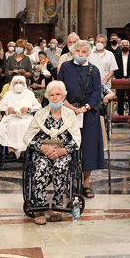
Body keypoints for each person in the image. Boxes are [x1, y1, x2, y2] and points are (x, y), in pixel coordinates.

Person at [23, 80, 82, 225]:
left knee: (61, 166)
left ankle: (57, 206)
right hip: (42, 151)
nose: (55, 98)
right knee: (41, 166)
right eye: (52, 95)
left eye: (58, 94)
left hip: (62, 152)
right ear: (47, 97)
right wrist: (42, 148)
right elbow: (27, 137)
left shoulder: (70, 115)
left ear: (63, 96)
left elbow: (76, 139)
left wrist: (63, 151)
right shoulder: (40, 115)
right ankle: (40, 207)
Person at [57, 40, 104, 198]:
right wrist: (67, 104)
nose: (80, 54)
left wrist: (86, 108)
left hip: (88, 113)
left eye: (84, 52)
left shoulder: (94, 70)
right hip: (67, 111)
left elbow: (97, 92)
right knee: (66, 146)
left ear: (88, 53)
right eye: (78, 51)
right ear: (72, 52)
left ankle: (86, 184)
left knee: (88, 148)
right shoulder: (65, 67)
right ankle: (65, 181)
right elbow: (59, 87)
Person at [0, 76, 42, 156]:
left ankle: (24, 151)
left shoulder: (29, 94)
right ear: (13, 84)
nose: (18, 84)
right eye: (16, 83)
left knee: (25, 125)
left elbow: (38, 106)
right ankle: (11, 151)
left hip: (26, 117)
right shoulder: (8, 94)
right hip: (12, 117)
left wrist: (28, 109)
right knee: (11, 125)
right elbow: (0, 106)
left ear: (24, 84)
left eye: (20, 83)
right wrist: (8, 109)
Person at [114, 39, 130, 115]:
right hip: (120, 80)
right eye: (123, 45)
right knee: (120, 99)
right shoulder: (116, 56)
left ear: (129, 46)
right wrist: (120, 78)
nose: (125, 47)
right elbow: (115, 68)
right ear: (121, 46)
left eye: (127, 45)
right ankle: (120, 115)